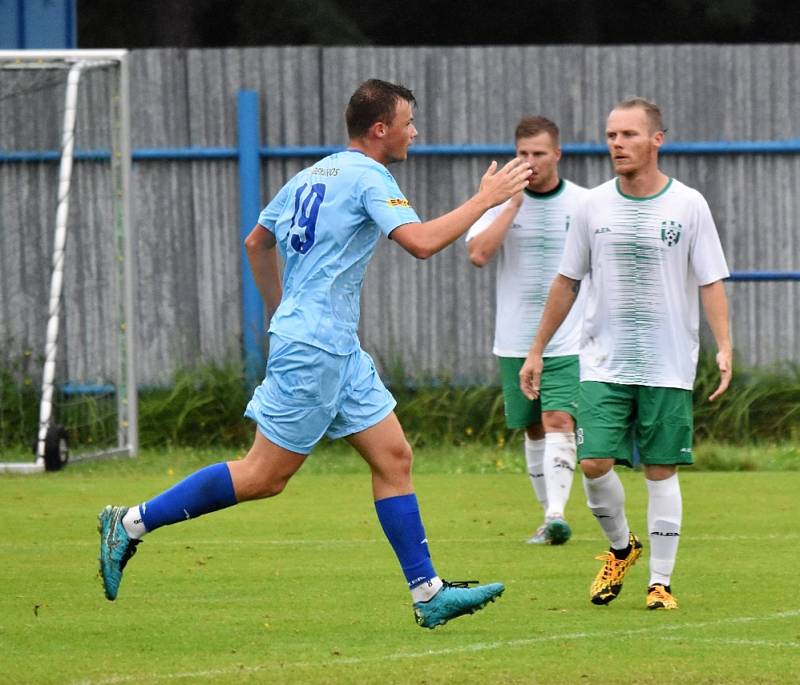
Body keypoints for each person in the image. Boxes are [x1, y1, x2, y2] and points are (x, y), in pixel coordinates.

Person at [98, 78, 532, 629]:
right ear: (381, 130)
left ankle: (428, 592)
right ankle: (130, 523)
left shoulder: (313, 173)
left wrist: (283, 310)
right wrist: (484, 200)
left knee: (394, 457)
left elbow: (257, 240)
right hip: (315, 349)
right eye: (408, 123)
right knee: (263, 476)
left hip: (332, 347)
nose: (414, 132)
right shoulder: (372, 177)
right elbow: (420, 243)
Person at [519, 97, 732, 611]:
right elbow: (567, 280)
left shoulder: (689, 204)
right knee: (593, 463)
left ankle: (660, 582)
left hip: (668, 364)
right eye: (612, 134)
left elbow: (711, 280)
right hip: (602, 362)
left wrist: (724, 346)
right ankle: (621, 549)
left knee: (660, 470)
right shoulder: (592, 205)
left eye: (629, 134)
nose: (617, 143)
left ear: (657, 139)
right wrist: (537, 349)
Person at [466, 116, 587, 545]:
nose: (531, 162)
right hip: (515, 337)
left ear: (557, 154)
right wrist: (512, 203)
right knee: (533, 427)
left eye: (539, 153)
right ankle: (547, 519)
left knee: (559, 419)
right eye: (523, 154)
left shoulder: (584, 203)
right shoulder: (500, 202)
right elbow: (478, 254)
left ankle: (557, 514)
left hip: (571, 338)